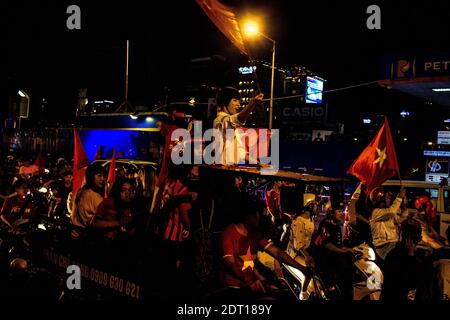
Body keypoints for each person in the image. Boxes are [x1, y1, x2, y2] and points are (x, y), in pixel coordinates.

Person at [220, 193, 311, 301]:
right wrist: (250, 280)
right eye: (258, 214)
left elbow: (277, 252)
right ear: (249, 215)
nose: (260, 217)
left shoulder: (254, 235)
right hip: (234, 288)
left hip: (251, 285)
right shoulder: (229, 234)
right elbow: (230, 263)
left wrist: (302, 268)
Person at [311, 201, 354, 300]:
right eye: (339, 211)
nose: (342, 213)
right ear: (331, 213)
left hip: (333, 258)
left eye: (342, 211)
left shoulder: (336, 226)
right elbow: (327, 245)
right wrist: (343, 251)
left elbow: (339, 246)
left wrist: (352, 249)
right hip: (325, 260)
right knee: (333, 290)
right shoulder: (326, 224)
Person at [213, 87, 264, 165]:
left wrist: (258, 163)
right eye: (235, 100)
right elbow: (239, 119)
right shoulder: (219, 120)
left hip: (230, 169)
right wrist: (253, 102)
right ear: (224, 103)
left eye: (239, 101)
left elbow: (240, 152)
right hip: (220, 171)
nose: (238, 104)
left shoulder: (232, 127)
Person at [381, 218, 423, 301]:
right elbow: (408, 283)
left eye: (413, 235)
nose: (409, 239)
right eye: (406, 235)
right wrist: (410, 255)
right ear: (400, 235)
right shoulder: (394, 256)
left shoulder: (417, 257)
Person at [70, 163, 106, 239]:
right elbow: (105, 219)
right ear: (91, 177)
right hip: (88, 238)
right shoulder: (95, 197)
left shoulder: (79, 192)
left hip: (74, 233)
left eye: (104, 176)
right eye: (99, 176)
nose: (102, 179)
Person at [369, 187, 406, 261]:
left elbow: (400, 219)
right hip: (383, 247)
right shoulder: (375, 212)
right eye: (387, 197)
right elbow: (391, 211)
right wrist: (399, 198)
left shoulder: (386, 212)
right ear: (381, 199)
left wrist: (404, 207)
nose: (389, 199)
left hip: (392, 244)